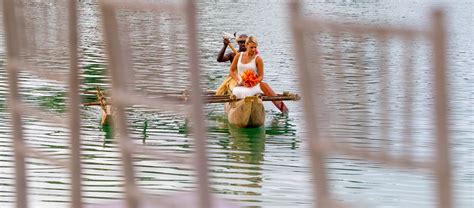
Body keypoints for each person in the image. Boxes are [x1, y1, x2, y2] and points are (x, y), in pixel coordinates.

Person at [228, 36, 288, 113]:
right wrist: (239, 80)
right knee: (237, 92)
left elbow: (261, 76)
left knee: (260, 87)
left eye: (255, 47)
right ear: (246, 46)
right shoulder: (238, 56)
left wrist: (253, 82)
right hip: (240, 85)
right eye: (251, 47)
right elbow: (231, 71)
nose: (254, 49)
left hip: (253, 86)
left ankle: (283, 109)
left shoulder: (258, 59)